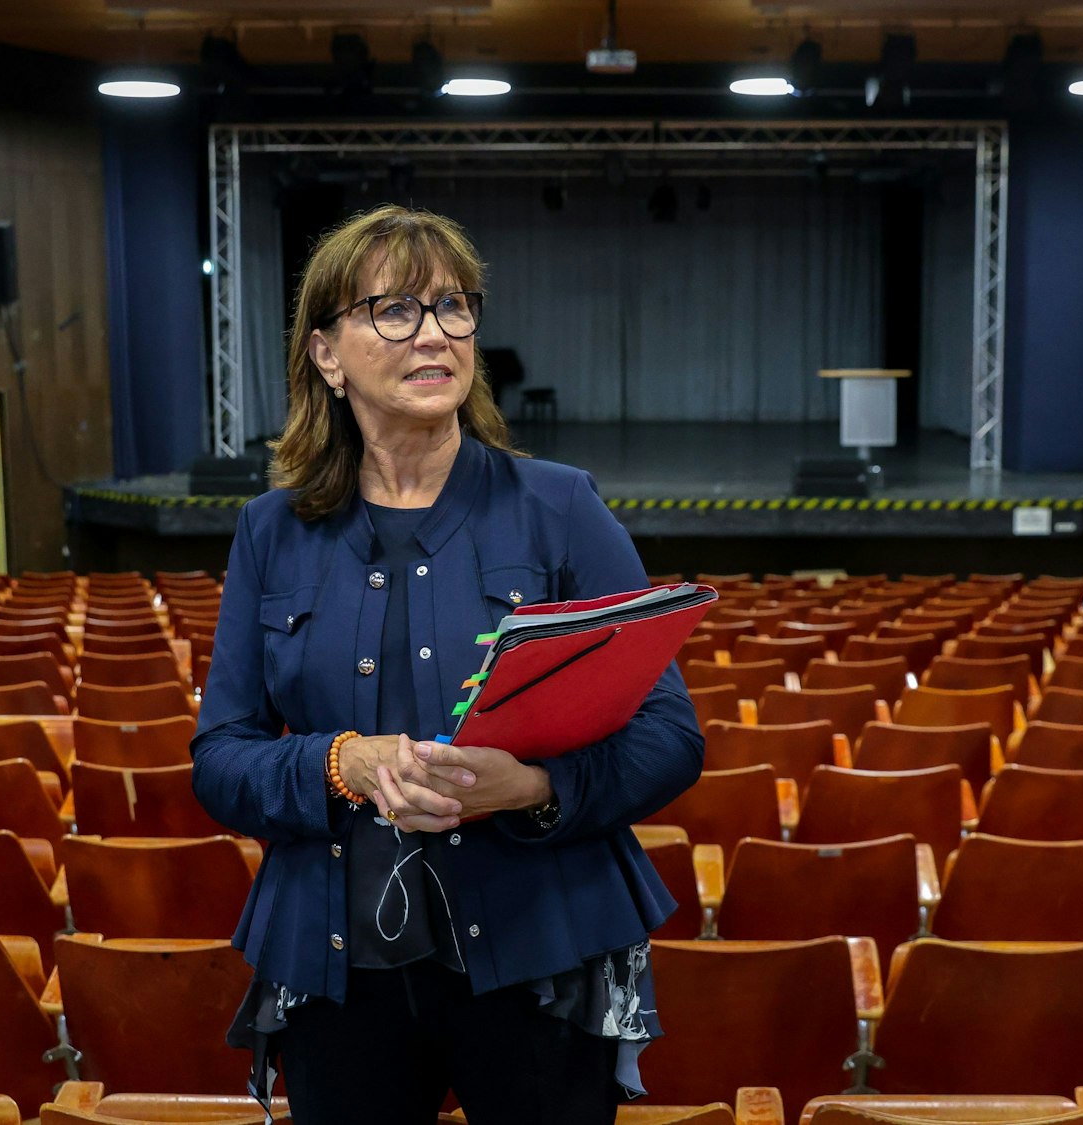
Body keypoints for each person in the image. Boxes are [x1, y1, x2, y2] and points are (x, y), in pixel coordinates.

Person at [190, 204, 704, 1125]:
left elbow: (670, 737)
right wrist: (340, 763)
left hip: (542, 954)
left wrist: (532, 785)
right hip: (334, 971)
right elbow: (220, 755)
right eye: (394, 310)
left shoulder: (561, 507)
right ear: (326, 354)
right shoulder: (270, 530)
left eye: (453, 307)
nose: (434, 333)